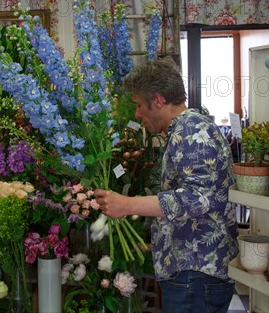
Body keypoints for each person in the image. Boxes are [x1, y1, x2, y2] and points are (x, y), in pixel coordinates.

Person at [95, 58, 238, 313]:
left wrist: (126, 205)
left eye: (139, 105)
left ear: (158, 101)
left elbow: (196, 198)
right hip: (190, 272)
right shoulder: (185, 130)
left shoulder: (193, 133)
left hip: (195, 274)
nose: (137, 114)